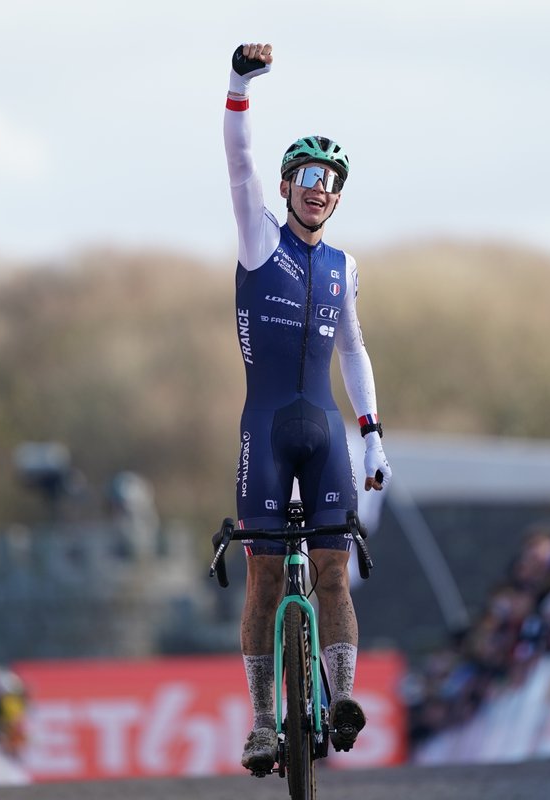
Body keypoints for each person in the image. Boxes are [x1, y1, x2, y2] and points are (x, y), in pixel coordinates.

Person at [223, 42, 393, 774]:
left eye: (333, 181)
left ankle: (343, 697)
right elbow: (238, 158)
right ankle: (265, 721)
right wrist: (239, 83)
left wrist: (372, 434)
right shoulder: (261, 237)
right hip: (266, 427)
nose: (320, 189)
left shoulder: (345, 266)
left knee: (332, 568)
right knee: (263, 576)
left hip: (324, 428)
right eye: (310, 177)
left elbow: (353, 351)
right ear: (290, 185)